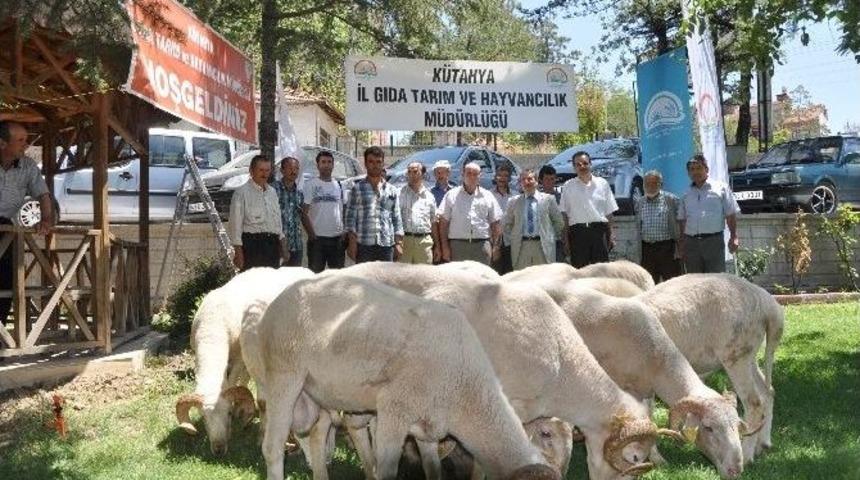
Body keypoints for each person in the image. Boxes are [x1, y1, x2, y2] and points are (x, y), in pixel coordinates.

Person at [0, 121, 54, 324]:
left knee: (7, 281)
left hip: (6, 229)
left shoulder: (28, 165)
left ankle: (1, 334)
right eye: (20, 140)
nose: (26, 144)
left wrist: (46, 220)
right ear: (2, 143)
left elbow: (44, 195)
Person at [677, 154, 740, 273]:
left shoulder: (721, 188)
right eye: (692, 169)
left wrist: (734, 237)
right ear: (688, 173)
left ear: (706, 169)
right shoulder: (685, 193)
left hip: (713, 242)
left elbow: (730, 214)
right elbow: (682, 220)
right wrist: (682, 242)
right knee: (695, 281)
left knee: (715, 280)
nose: (696, 172)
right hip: (691, 244)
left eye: (699, 168)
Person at [559, 151, 618, 268]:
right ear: (574, 167)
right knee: (580, 272)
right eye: (578, 164)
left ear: (590, 164)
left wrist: (611, 234)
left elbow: (609, 212)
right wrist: (565, 239)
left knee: (601, 272)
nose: (582, 167)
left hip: (599, 233)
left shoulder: (602, 184)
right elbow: (565, 215)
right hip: (577, 234)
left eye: (585, 163)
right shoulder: (568, 186)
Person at [345, 146, 403, 263]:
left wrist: (399, 243)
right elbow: (350, 219)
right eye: (371, 161)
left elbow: (396, 218)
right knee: (364, 281)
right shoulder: (357, 189)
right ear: (365, 164)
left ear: (383, 164)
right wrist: (352, 243)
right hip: (364, 245)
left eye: (378, 162)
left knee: (385, 281)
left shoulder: (392, 190)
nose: (375, 165)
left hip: (386, 245)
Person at [439, 162, 503, 265]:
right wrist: (445, 247)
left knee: (482, 280)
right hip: (457, 246)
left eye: (475, 174)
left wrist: (496, 247)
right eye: (468, 173)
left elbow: (496, 224)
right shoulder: (451, 195)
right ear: (462, 174)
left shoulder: (488, 196)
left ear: (480, 176)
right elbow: (443, 223)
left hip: (482, 246)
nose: (472, 176)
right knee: (458, 280)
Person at [228, 155, 282, 271]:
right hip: (252, 246)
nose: (264, 174)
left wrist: (283, 244)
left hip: (272, 245)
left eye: (267, 170)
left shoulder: (272, 192)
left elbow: (277, 221)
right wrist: (238, 252)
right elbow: (235, 225)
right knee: (252, 285)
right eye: (261, 170)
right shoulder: (241, 193)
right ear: (251, 171)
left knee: (272, 285)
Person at [503, 169, 566, 270]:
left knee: (544, 279)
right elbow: (507, 224)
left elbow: (558, 222)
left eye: (529, 179)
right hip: (521, 247)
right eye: (523, 179)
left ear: (536, 181)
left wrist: (550, 236)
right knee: (522, 279)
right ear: (520, 183)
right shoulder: (513, 201)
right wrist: (513, 240)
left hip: (543, 246)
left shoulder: (548, 199)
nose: (526, 182)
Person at [302, 150, 346, 273]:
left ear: (333, 165)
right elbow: (304, 213)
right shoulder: (310, 185)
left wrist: (344, 232)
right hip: (317, 241)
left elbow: (344, 210)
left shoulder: (340, 185)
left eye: (329, 162)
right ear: (318, 165)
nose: (326, 165)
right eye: (323, 162)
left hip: (336, 240)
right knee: (315, 278)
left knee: (337, 279)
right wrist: (312, 235)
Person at [634, 170, 682, 283]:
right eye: (647, 183)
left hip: (667, 250)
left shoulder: (672, 200)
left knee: (671, 285)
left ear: (661, 184)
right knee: (649, 285)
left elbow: (681, 222)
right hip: (647, 251)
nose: (650, 186)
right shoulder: (640, 202)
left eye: (654, 183)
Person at [398, 161, 438, 264]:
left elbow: (433, 222)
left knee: (425, 277)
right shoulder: (400, 193)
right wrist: (397, 243)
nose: (412, 175)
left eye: (415, 171)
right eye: (409, 172)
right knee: (403, 278)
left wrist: (437, 246)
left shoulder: (430, 197)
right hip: (405, 241)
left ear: (423, 174)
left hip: (424, 242)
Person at [272, 156, 304, 266]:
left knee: (295, 280)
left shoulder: (299, 193)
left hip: (296, 245)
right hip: (277, 246)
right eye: (290, 168)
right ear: (282, 170)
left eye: (296, 168)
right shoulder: (273, 190)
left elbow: (301, 215)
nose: (293, 171)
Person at [491, 165, 516, 274]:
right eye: (499, 175)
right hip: (493, 241)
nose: (502, 178)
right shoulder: (488, 195)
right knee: (494, 272)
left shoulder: (516, 196)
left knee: (510, 273)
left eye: (505, 176)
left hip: (510, 241)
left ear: (509, 178)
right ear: (495, 177)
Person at [539, 164, 565, 262]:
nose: (550, 182)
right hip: (541, 241)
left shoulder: (562, 198)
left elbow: (565, 218)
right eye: (547, 179)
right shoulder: (536, 198)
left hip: (558, 240)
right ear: (541, 180)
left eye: (552, 179)